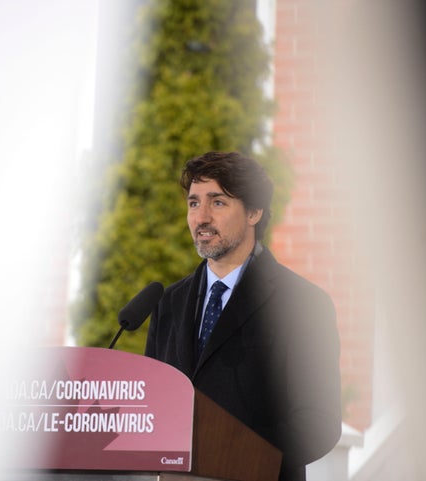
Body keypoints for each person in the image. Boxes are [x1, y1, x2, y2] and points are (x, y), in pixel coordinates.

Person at [145, 151, 342, 481]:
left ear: (253, 212)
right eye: (194, 203)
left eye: (217, 202)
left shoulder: (304, 305)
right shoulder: (168, 303)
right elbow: (153, 403)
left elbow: (318, 421)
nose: (201, 217)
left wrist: (236, 456)